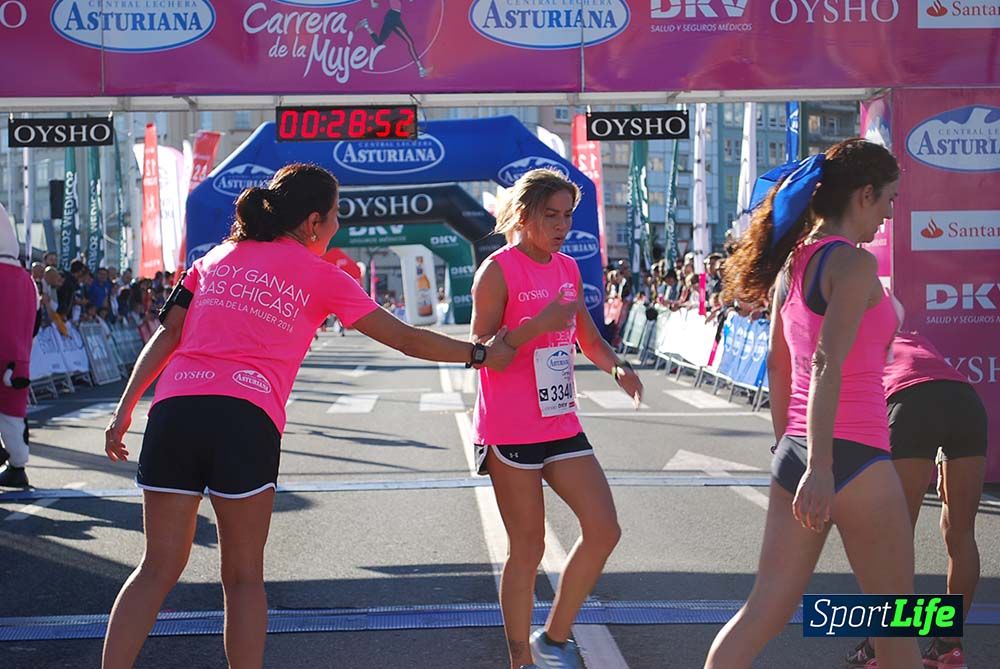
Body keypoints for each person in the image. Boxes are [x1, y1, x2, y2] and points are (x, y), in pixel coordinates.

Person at [100, 163, 515, 669]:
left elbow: (167, 337)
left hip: (173, 409)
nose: (338, 224)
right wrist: (478, 355)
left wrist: (123, 411)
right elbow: (406, 339)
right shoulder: (322, 275)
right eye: (337, 214)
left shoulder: (214, 258)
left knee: (156, 566)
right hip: (245, 416)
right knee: (244, 576)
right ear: (314, 222)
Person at [705, 139, 920, 669]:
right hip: (854, 455)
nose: (889, 214)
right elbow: (828, 363)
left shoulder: (793, 265)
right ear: (864, 195)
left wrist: (792, 450)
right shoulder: (853, 265)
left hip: (799, 451)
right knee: (899, 626)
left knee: (763, 613)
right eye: (889, 200)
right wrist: (821, 466)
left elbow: (779, 367)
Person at [471, 169, 643, 669]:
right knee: (526, 548)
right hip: (509, 427)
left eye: (568, 215)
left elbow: (588, 338)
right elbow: (483, 352)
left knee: (604, 528)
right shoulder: (497, 271)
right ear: (524, 216)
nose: (562, 225)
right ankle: (520, 658)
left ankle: (554, 638)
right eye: (552, 215)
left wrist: (618, 367)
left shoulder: (567, 269)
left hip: (560, 420)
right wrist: (534, 328)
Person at [845, 331, 987, 669]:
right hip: (965, 401)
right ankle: (948, 645)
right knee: (961, 532)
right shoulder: (911, 335)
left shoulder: (846, 336)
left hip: (910, 403)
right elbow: (934, 382)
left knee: (892, 538)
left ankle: (882, 646)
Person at [0, 203, 38, 488]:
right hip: (19, 358)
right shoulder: (27, 280)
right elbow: (36, 322)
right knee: (13, 413)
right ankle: (17, 464)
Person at [355, 0, 428, 78]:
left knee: (379, 42)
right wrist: (372, 2)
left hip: (391, 16)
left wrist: (373, 2)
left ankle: (366, 25)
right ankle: (421, 69)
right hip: (393, 17)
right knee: (410, 42)